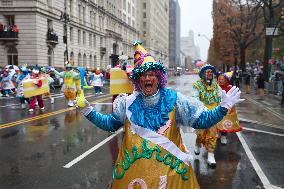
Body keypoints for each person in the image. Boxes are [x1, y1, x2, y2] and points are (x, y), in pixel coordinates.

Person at [76, 41, 243, 188]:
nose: (147, 78)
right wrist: (88, 111)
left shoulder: (175, 100)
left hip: (171, 178)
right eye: (143, 75)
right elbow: (110, 124)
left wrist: (223, 107)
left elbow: (202, 120)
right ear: (137, 80)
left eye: (151, 75)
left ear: (159, 78)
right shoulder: (126, 102)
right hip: (132, 177)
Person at [192, 64, 222, 168]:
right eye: (208, 72)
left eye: (211, 72)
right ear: (203, 74)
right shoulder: (197, 85)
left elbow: (220, 97)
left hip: (214, 112)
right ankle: (197, 144)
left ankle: (211, 155)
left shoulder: (216, 85)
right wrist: (200, 107)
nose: (210, 74)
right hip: (202, 111)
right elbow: (195, 97)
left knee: (212, 133)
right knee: (201, 132)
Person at [217, 73, 243, 145]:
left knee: (225, 121)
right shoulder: (216, 87)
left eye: (222, 79)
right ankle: (218, 133)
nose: (221, 81)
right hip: (217, 107)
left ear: (226, 80)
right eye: (219, 79)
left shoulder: (229, 87)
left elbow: (233, 98)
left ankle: (223, 136)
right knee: (217, 121)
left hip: (228, 108)